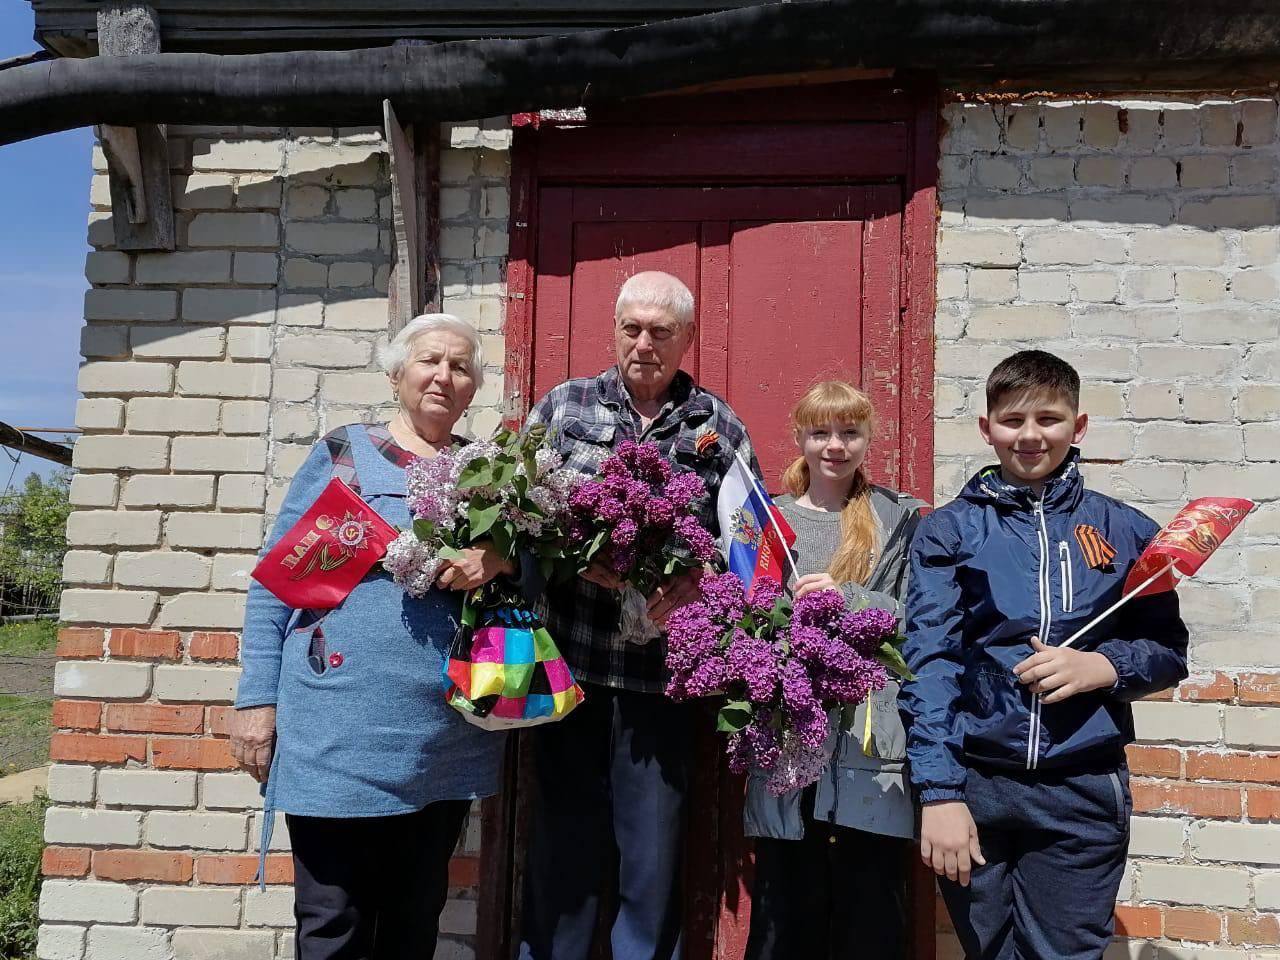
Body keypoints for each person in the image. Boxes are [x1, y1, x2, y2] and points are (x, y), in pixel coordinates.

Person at [229, 314, 540, 960]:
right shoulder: (349, 455)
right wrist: (256, 703)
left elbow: (537, 581)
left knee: (412, 919)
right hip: (337, 731)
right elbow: (277, 587)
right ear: (397, 373)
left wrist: (503, 560)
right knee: (332, 921)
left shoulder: (487, 475)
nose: (443, 376)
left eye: (460, 367)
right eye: (430, 361)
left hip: (442, 737)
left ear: (473, 387)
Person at [900, 350, 1189, 960]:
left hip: (1081, 787)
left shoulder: (1127, 531)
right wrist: (939, 794)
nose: (1031, 435)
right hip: (977, 783)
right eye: (1013, 420)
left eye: (1049, 419)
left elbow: (1168, 650)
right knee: (990, 953)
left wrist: (1103, 667)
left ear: (1077, 426)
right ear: (987, 428)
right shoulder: (949, 531)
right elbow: (929, 664)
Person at [518, 271, 758, 960]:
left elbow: (750, 542)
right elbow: (517, 515)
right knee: (562, 862)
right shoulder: (564, 407)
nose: (645, 344)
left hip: (661, 683)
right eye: (633, 328)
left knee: (651, 871)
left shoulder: (717, 424)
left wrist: (701, 577)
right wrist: (566, 555)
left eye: (661, 331)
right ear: (615, 330)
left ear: (687, 338)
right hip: (568, 673)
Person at [742, 380, 923, 960]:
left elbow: (923, 618)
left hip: (868, 744)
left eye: (849, 432)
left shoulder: (899, 520)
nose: (835, 446)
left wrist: (850, 600)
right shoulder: (766, 523)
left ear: (869, 439)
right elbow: (740, 617)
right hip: (787, 739)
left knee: (868, 918)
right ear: (800, 438)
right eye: (821, 432)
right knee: (785, 911)